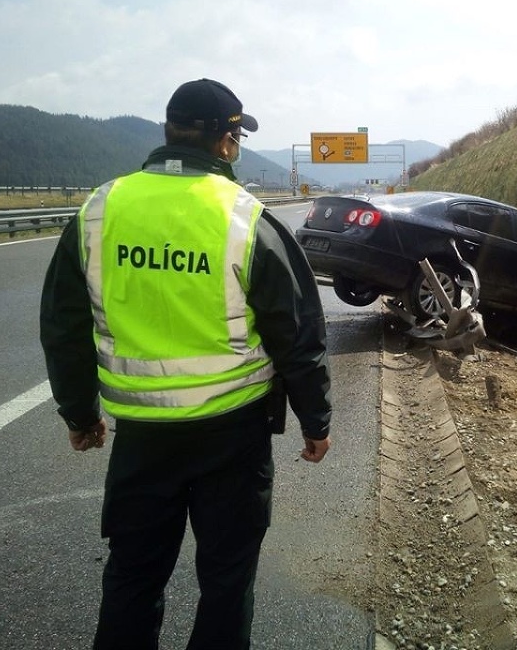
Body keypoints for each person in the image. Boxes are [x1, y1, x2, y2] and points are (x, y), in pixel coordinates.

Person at [39, 77, 332, 650]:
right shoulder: (246, 219)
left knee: (132, 576)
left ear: (169, 132)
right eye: (236, 137)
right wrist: (315, 420)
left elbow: (63, 324)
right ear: (225, 141)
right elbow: (296, 330)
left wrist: (80, 414)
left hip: (142, 440)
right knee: (226, 582)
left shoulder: (101, 208)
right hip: (233, 438)